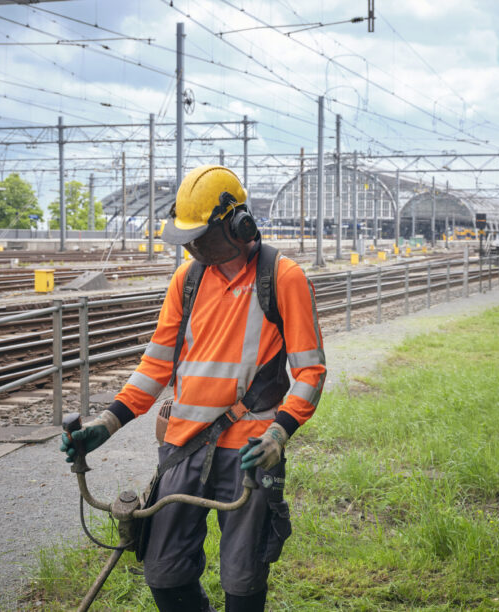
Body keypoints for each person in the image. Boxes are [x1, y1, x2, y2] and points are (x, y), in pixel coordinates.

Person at [60, 165, 326, 611]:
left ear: (239, 225)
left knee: (243, 579)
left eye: (201, 235)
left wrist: (279, 433)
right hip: (182, 447)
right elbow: (156, 366)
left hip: (249, 451)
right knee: (163, 570)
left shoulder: (282, 278)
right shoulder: (187, 280)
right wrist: (108, 422)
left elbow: (311, 371)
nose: (192, 245)